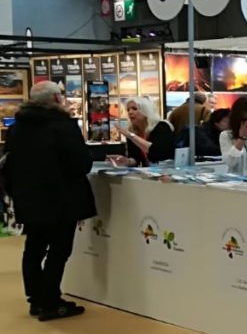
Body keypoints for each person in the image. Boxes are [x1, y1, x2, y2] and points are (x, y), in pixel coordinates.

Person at [2, 82, 95, 321]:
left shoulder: (17, 127)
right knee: (59, 249)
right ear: (55, 98)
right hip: (61, 199)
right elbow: (80, 164)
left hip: (29, 199)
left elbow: (9, 164)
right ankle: (50, 300)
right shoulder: (62, 126)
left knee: (33, 248)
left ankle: (36, 298)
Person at [111, 97, 175, 167]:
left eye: (134, 109)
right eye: (128, 110)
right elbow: (135, 159)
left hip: (167, 171)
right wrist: (127, 161)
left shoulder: (161, 127)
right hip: (149, 172)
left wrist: (131, 136)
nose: (130, 112)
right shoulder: (132, 131)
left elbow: (156, 152)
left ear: (146, 111)